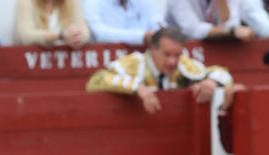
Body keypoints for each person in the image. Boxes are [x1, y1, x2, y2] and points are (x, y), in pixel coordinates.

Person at [86, 24, 232, 114]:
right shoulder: (134, 64)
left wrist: (212, 82)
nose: (172, 61)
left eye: (177, 55)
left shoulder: (184, 64)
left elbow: (223, 74)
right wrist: (137, 86)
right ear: (152, 49)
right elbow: (96, 80)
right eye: (166, 54)